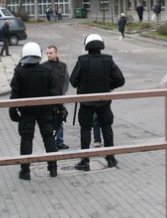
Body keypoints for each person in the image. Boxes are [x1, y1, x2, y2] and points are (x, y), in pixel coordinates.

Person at [70, 34, 125, 171]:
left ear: (87, 45)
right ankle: (111, 159)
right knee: (107, 128)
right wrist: (109, 86)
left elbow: (73, 81)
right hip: (104, 102)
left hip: (86, 102)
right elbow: (120, 80)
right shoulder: (108, 60)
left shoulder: (82, 61)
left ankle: (85, 161)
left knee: (85, 130)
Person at [10, 43, 59, 180]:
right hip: (45, 111)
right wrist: (59, 110)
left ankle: (25, 171)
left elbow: (14, 95)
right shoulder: (48, 71)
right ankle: (53, 168)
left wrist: (13, 112)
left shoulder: (19, 73)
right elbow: (55, 94)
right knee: (48, 138)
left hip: (26, 112)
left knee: (26, 139)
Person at [42, 45, 70, 150]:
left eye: (51, 53)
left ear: (56, 53)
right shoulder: (44, 66)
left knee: (60, 119)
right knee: (49, 121)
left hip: (60, 97)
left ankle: (59, 141)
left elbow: (66, 80)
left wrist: (63, 92)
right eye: (47, 53)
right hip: (48, 99)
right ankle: (51, 143)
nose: (49, 55)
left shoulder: (63, 66)